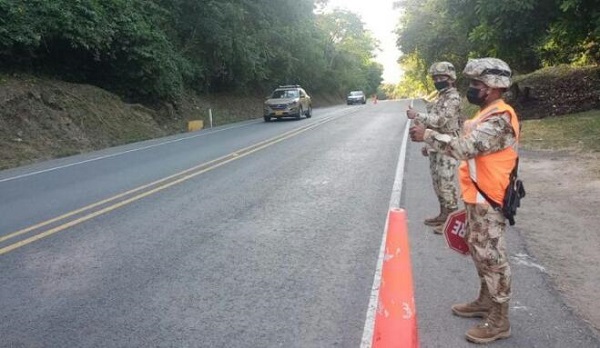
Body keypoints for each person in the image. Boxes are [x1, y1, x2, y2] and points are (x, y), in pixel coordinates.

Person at [409, 57, 519, 344]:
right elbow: (465, 143)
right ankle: (485, 300)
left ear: (494, 87)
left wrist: (429, 136)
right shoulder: (485, 114)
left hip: (490, 200)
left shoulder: (500, 119)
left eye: (477, 84)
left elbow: (467, 146)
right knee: (479, 250)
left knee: (493, 258)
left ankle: (499, 319)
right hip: (477, 197)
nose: (472, 88)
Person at [406, 61, 461, 234]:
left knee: (446, 183)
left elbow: (441, 121)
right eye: (435, 78)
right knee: (437, 183)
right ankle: (443, 215)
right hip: (437, 143)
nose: (438, 80)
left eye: (441, 77)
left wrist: (418, 116)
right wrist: (428, 144)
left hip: (448, 144)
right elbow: (436, 123)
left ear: (451, 78)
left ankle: (451, 222)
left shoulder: (453, 98)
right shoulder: (441, 97)